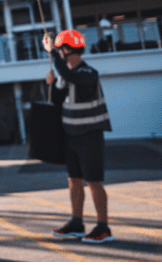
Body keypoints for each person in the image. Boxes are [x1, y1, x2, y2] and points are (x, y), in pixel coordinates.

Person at [43, 29, 114, 244]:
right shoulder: (66, 78)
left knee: (93, 182)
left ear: (67, 50)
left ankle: (103, 228)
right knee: (74, 180)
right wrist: (51, 85)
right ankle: (77, 223)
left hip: (89, 135)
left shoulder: (88, 74)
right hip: (71, 135)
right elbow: (57, 101)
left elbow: (71, 76)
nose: (59, 52)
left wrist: (52, 54)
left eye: (61, 48)